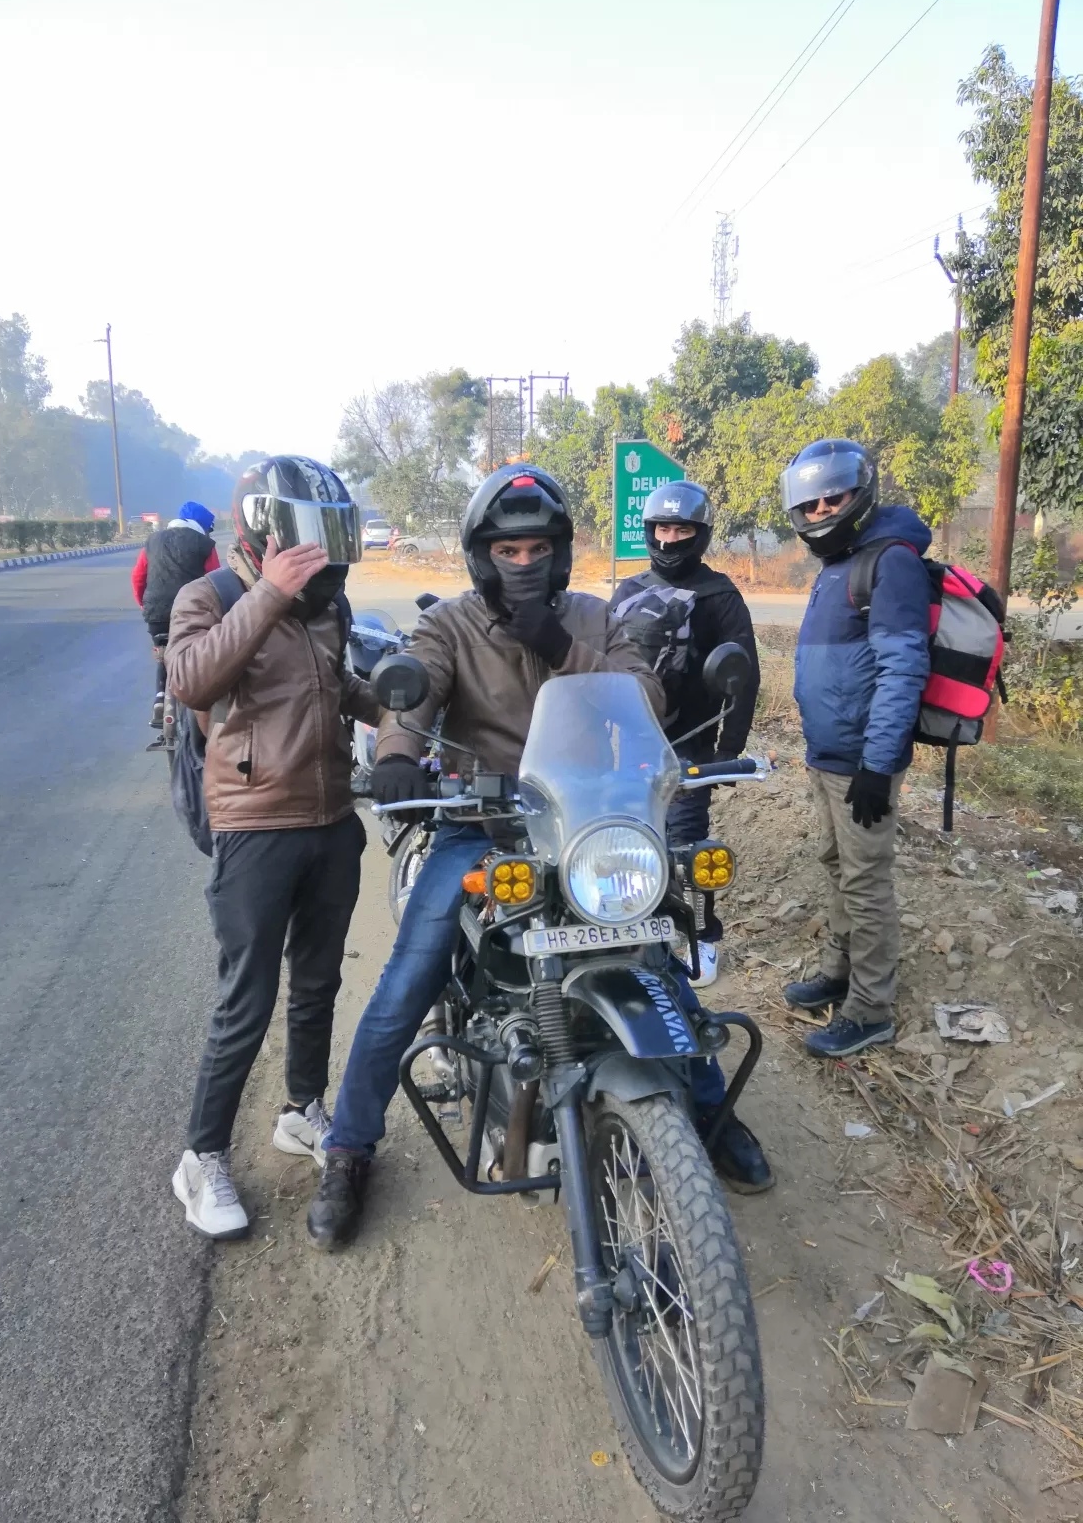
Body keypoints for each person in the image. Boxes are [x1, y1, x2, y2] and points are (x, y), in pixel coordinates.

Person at [307, 463, 772, 1252]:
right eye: (507, 548)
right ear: (482, 553)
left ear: (560, 552)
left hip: (592, 822)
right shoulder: (450, 625)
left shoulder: (595, 616)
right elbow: (413, 695)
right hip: (481, 824)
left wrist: (558, 646)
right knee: (406, 980)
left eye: (538, 547)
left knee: (657, 956)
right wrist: (395, 751)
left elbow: (645, 694)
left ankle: (706, 1108)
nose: (523, 561)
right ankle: (349, 1147)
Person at [164, 456, 379, 1239]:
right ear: (264, 532)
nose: (324, 553)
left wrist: (397, 702)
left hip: (331, 821)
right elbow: (190, 678)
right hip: (254, 826)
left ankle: (301, 1111)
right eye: (309, 537)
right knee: (245, 999)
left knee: (317, 983)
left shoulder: (331, 607)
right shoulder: (211, 596)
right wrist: (268, 595)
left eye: (333, 536)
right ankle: (203, 1158)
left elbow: (336, 687)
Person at [779, 439, 931, 1059]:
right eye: (809, 503)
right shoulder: (840, 561)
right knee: (837, 865)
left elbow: (902, 667)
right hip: (829, 754)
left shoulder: (889, 561)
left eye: (831, 498)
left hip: (863, 762)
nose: (820, 511)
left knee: (867, 882)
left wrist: (877, 762)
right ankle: (838, 972)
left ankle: (870, 1009)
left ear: (859, 494)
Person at [610, 481, 761, 989]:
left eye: (682, 529)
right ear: (648, 531)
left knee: (687, 845)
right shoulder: (628, 591)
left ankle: (703, 936)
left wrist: (729, 749)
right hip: (630, 742)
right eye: (661, 528)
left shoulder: (720, 595)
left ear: (700, 534)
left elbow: (744, 674)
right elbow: (600, 669)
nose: (670, 538)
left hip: (692, 742)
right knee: (629, 841)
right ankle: (636, 930)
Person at [131, 501, 220, 742]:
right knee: (201, 657)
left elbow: (138, 577)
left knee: (164, 653)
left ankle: (160, 698)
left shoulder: (153, 541)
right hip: (192, 612)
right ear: (203, 526)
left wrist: (146, 607)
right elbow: (215, 580)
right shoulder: (205, 544)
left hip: (157, 613)